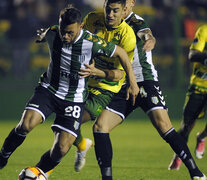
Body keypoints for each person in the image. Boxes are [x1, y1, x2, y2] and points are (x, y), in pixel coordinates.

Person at [0, 5, 138, 177]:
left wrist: (132, 82)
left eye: (70, 33)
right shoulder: (53, 33)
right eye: (63, 31)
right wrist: (43, 36)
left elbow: (123, 54)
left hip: (74, 99)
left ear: (80, 27)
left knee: (62, 148)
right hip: (49, 89)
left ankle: (40, 172)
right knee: (26, 124)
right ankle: (2, 157)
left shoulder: (92, 43)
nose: (65, 36)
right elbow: (48, 33)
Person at [92, 1, 207, 180]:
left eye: (120, 7)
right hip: (124, 85)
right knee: (100, 127)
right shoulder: (105, 22)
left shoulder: (137, 22)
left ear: (128, 5)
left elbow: (146, 34)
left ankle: (196, 172)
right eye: (110, 9)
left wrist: (150, 40)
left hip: (145, 81)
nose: (113, 13)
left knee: (164, 127)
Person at [71, 0, 137, 172]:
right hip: (83, 80)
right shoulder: (93, 19)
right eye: (108, 10)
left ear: (124, 11)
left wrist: (96, 72)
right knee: (65, 121)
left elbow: (119, 75)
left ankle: (44, 171)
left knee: (72, 121)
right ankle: (82, 145)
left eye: (115, 11)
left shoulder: (128, 36)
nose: (110, 15)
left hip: (104, 88)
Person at [168, 24, 207, 170]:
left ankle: (201, 137)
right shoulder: (204, 30)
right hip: (199, 85)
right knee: (186, 126)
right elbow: (192, 55)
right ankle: (178, 155)